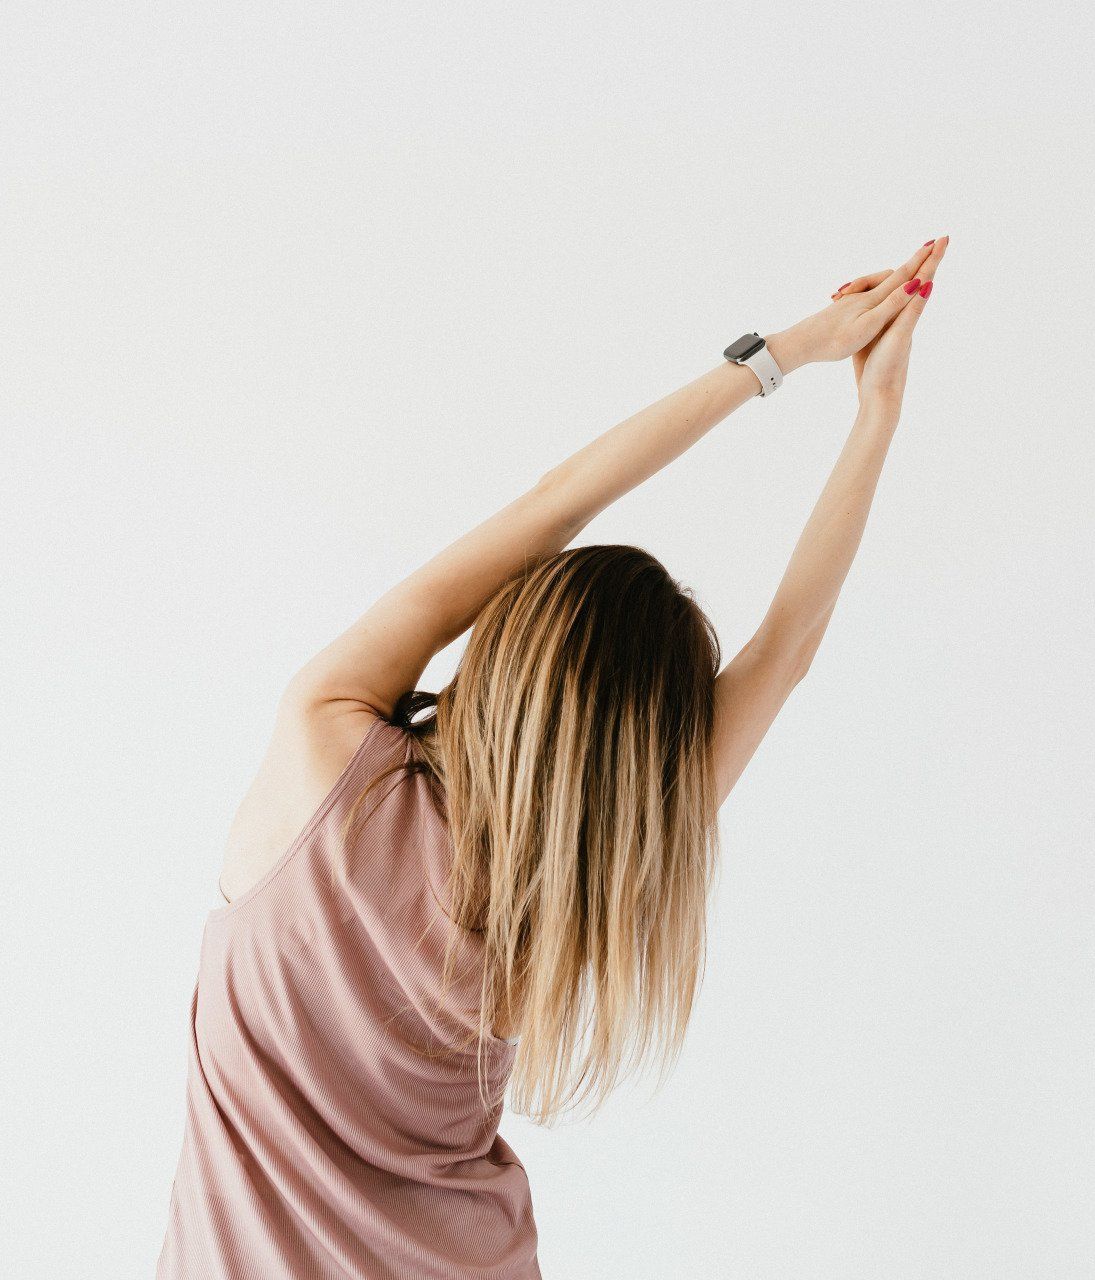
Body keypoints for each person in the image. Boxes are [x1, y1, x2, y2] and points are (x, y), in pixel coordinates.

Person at [157, 237, 949, 1279]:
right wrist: (876, 411)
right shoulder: (584, 880)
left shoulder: (324, 746)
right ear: (647, 750)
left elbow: (554, 501)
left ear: (507, 637)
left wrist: (786, 352)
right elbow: (784, 651)